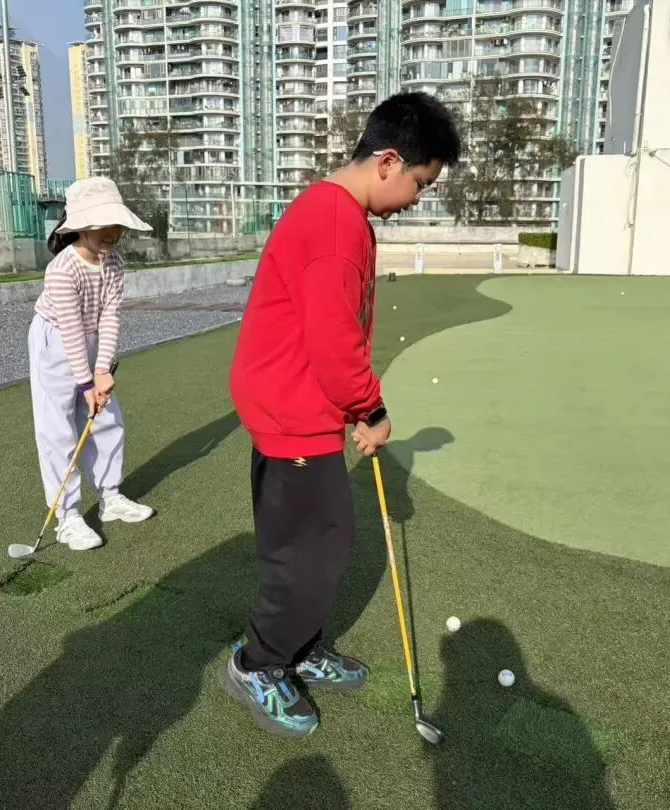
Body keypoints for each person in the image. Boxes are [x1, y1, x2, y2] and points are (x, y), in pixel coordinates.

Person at [223, 91, 462, 737]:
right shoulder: (335, 223)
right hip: (291, 409)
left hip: (299, 401)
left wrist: (351, 403)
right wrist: (370, 408)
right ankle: (258, 663)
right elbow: (335, 341)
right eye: (419, 183)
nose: (416, 198)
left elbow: (332, 335)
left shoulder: (336, 212)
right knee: (310, 554)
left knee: (315, 544)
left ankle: (299, 646)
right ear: (387, 162)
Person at [28, 177, 157, 552]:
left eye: (116, 224)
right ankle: (67, 516)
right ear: (82, 225)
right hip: (55, 341)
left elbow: (110, 317)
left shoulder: (114, 263)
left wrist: (101, 372)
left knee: (106, 418)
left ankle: (110, 496)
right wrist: (86, 384)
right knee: (58, 429)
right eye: (103, 224)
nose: (112, 232)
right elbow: (70, 328)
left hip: (93, 339)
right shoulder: (62, 269)